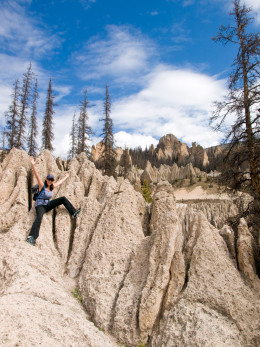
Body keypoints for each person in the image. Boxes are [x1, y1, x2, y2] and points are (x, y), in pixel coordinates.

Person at [26, 156, 81, 246]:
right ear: (46, 179)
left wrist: (66, 177)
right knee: (39, 217)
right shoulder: (42, 186)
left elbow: (59, 182)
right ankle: (31, 237)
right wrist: (33, 165)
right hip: (40, 205)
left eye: (52, 180)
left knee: (62, 198)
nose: (50, 181)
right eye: (49, 179)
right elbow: (37, 176)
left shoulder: (51, 187)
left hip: (47, 205)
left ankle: (74, 212)